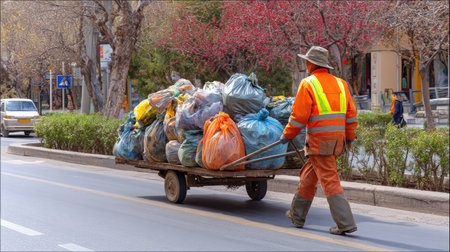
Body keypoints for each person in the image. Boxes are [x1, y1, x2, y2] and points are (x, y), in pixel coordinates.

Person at [279, 46, 358, 235]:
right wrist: (349, 138)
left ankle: (345, 223)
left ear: (312, 63)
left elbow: (299, 116)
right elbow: (351, 116)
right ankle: (297, 215)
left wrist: (287, 134)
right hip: (336, 142)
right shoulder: (341, 84)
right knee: (309, 174)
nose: (305, 63)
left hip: (318, 142)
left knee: (329, 180)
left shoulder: (308, 84)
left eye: (307, 60)